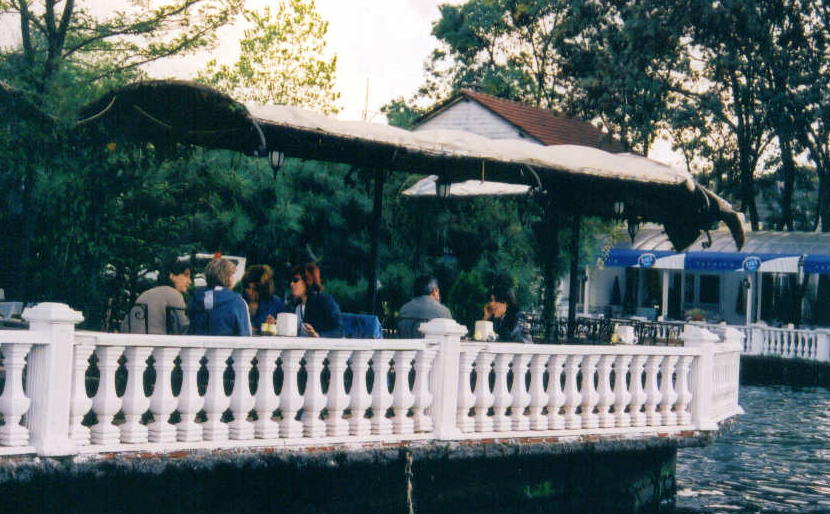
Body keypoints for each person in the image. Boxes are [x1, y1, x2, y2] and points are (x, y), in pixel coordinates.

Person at [122, 258, 192, 335]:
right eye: (186, 275)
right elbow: (183, 327)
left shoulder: (145, 294)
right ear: (172, 276)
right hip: (160, 344)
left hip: (135, 342)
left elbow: (126, 324)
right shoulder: (174, 295)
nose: (189, 281)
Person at [189, 257, 252, 336]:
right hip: (226, 347)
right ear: (229, 277)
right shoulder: (237, 302)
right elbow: (245, 334)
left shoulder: (196, 298)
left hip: (196, 346)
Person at [287, 262, 343, 338]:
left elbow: (339, 330)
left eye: (296, 280)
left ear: (308, 281)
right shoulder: (295, 306)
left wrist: (318, 335)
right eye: (291, 281)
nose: (291, 284)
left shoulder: (324, 301)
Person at [242, 264, 286, 334]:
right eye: (248, 287)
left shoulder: (276, 304)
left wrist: (275, 326)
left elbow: (284, 330)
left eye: (255, 289)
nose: (250, 292)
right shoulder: (239, 301)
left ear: (263, 289)